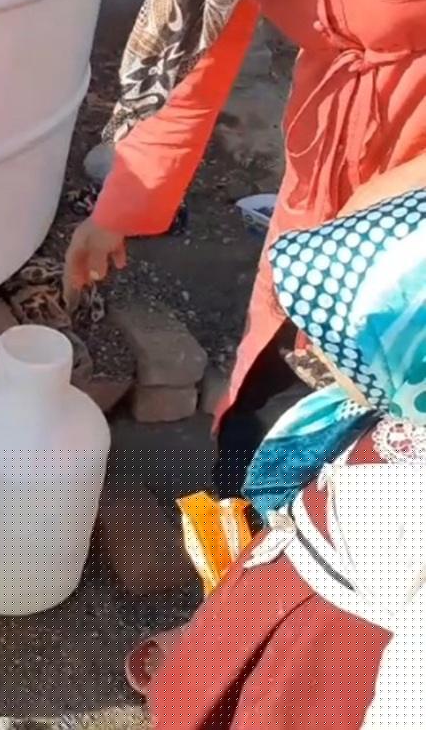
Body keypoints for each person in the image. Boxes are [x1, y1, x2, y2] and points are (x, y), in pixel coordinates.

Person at [63, 0, 426, 687]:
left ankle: (332, 665)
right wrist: (118, 212)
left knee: (379, 465)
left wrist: (387, 211)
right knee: (260, 421)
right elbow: (193, 57)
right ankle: (232, 625)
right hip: (327, 181)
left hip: (408, 226)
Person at [145, 163, 426, 728]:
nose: (314, 351)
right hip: (292, 597)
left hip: (329, 666)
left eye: (341, 345)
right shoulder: (395, 415)